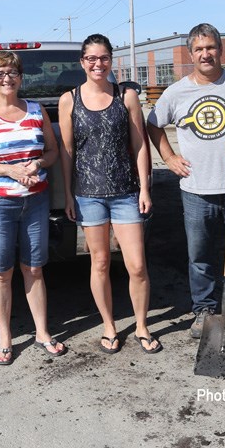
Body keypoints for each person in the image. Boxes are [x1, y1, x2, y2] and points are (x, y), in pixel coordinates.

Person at [146, 23, 225, 340]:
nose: (206, 54)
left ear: (220, 50)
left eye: (211, 47)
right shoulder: (175, 92)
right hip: (195, 190)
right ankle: (203, 310)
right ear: (191, 54)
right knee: (199, 257)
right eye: (199, 49)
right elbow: (153, 125)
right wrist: (170, 158)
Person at [0, 50, 67, 365]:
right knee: (2, 271)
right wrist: (8, 171)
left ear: (21, 77)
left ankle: (42, 333)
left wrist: (36, 163)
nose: (7, 79)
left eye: (12, 73)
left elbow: (52, 150)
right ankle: (5, 338)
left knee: (34, 267)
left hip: (35, 200)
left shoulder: (36, 111)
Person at [58, 34, 160, 354]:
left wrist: (145, 187)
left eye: (103, 58)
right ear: (82, 62)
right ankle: (109, 326)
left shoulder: (125, 96)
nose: (97, 64)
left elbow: (140, 143)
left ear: (111, 61)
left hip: (126, 193)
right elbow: (67, 152)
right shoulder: (69, 100)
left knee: (137, 265)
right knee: (99, 263)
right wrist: (68, 194)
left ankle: (142, 325)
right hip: (89, 196)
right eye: (91, 59)